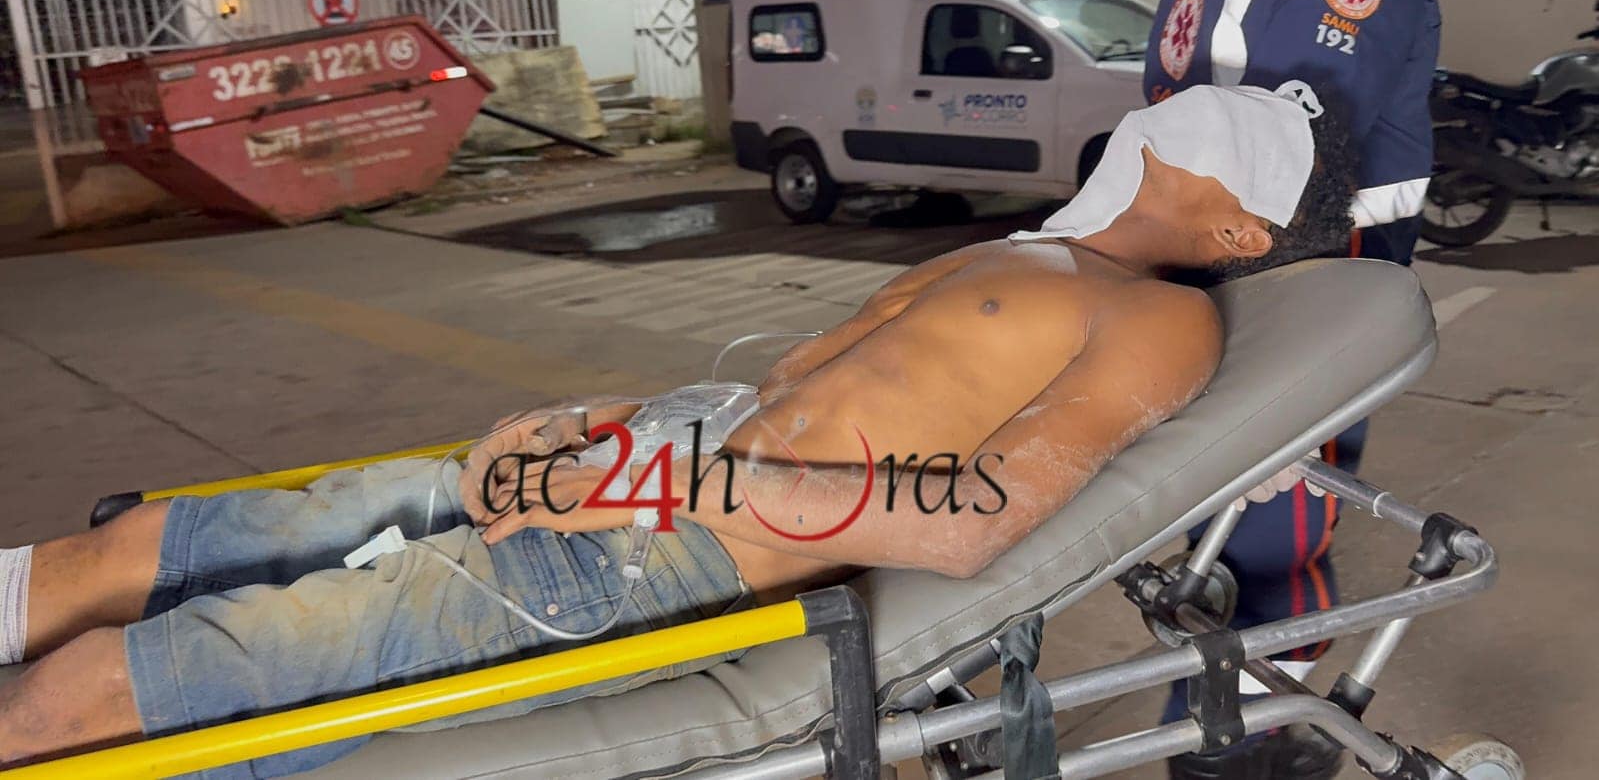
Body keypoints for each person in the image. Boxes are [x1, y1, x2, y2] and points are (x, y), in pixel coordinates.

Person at [0, 86, 1356, 777]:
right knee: (135, 546)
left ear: (1237, 232)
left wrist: (649, 482)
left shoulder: (1160, 316)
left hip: (645, 551)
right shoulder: (1025, 252)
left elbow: (970, 521)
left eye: (1237, 133)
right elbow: (792, 392)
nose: (1206, 106)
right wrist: (592, 430)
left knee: (103, 687)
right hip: (632, 465)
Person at [1141, 0, 1441, 778]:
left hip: (1206, 257)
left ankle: (1210, 731)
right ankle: (1238, 744)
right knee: (1282, 533)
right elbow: (1300, 133)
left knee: (1221, 523)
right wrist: (1282, 366)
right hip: (1307, 270)